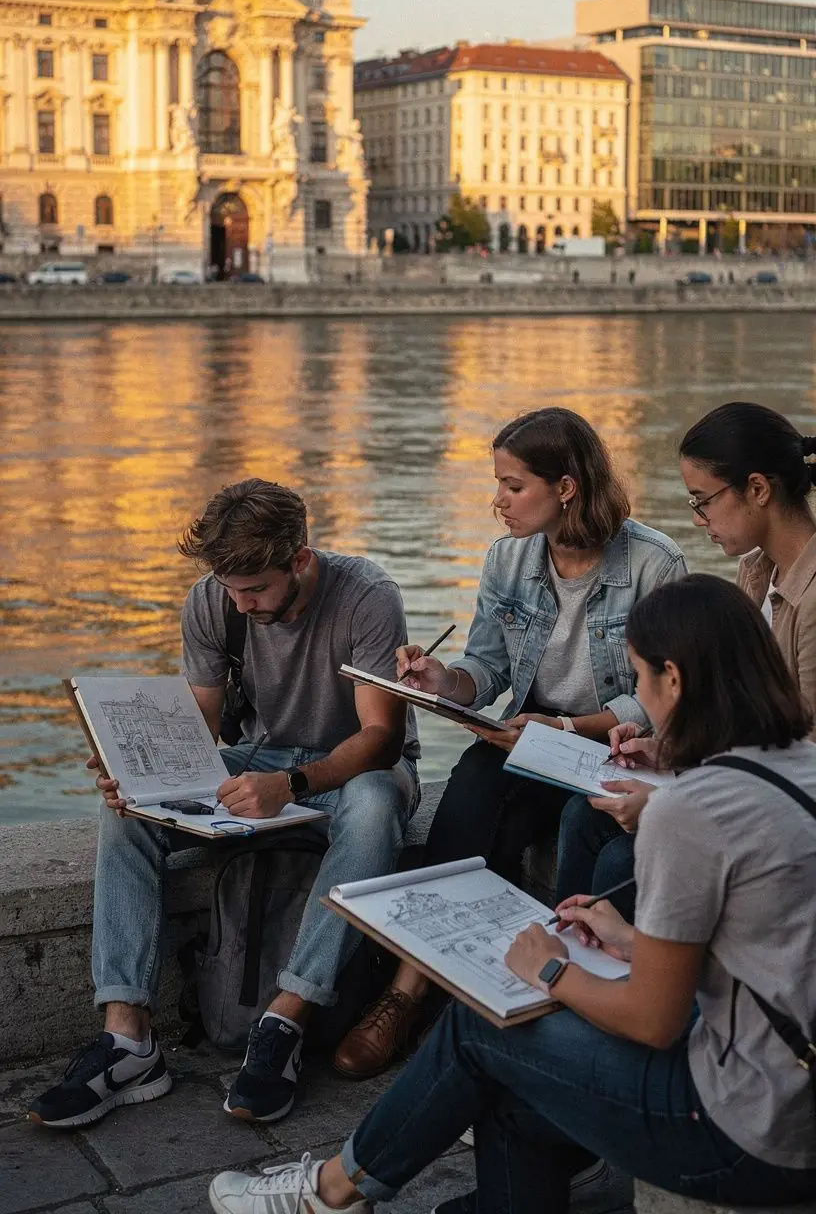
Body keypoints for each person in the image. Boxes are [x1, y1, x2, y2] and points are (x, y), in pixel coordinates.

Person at [208, 574, 816, 1214]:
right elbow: (769, 941)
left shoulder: (688, 813)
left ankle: (329, 1194)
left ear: (675, 680)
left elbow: (652, 1019)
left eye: (638, 678)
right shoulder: (798, 761)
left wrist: (549, 969)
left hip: (752, 1132)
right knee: (511, 1092)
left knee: (482, 1025)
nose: (637, 696)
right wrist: (631, 940)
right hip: (791, 1081)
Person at [29, 479, 420, 1129]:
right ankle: (129, 1039)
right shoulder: (214, 598)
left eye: (256, 590)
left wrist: (293, 784)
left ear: (299, 559)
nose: (240, 603)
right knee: (127, 808)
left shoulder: (368, 597)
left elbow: (380, 739)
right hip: (260, 759)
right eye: (231, 589)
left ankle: (283, 1022)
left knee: (377, 806)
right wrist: (140, 768)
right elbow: (199, 730)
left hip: (353, 767)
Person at [333, 407, 685, 1079]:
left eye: (513, 485)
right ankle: (408, 994)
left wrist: (572, 729)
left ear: (567, 487)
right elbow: (487, 667)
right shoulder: (508, 557)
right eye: (497, 483)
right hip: (526, 734)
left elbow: (660, 693)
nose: (498, 502)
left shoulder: (653, 562)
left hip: (614, 743)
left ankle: (552, 1004)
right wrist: (446, 680)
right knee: (469, 801)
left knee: (582, 823)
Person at [560, 400, 816, 911]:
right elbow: (747, 716)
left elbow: (804, 756)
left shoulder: (812, 600)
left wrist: (675, 800)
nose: (698, 520)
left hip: (782, 813)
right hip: (741, 780)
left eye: (703, 501)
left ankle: (614, 974)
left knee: (618, 862)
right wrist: (674, 752)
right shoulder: (756, 572)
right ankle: (568, 956)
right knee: (581, 813)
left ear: (758, 490)